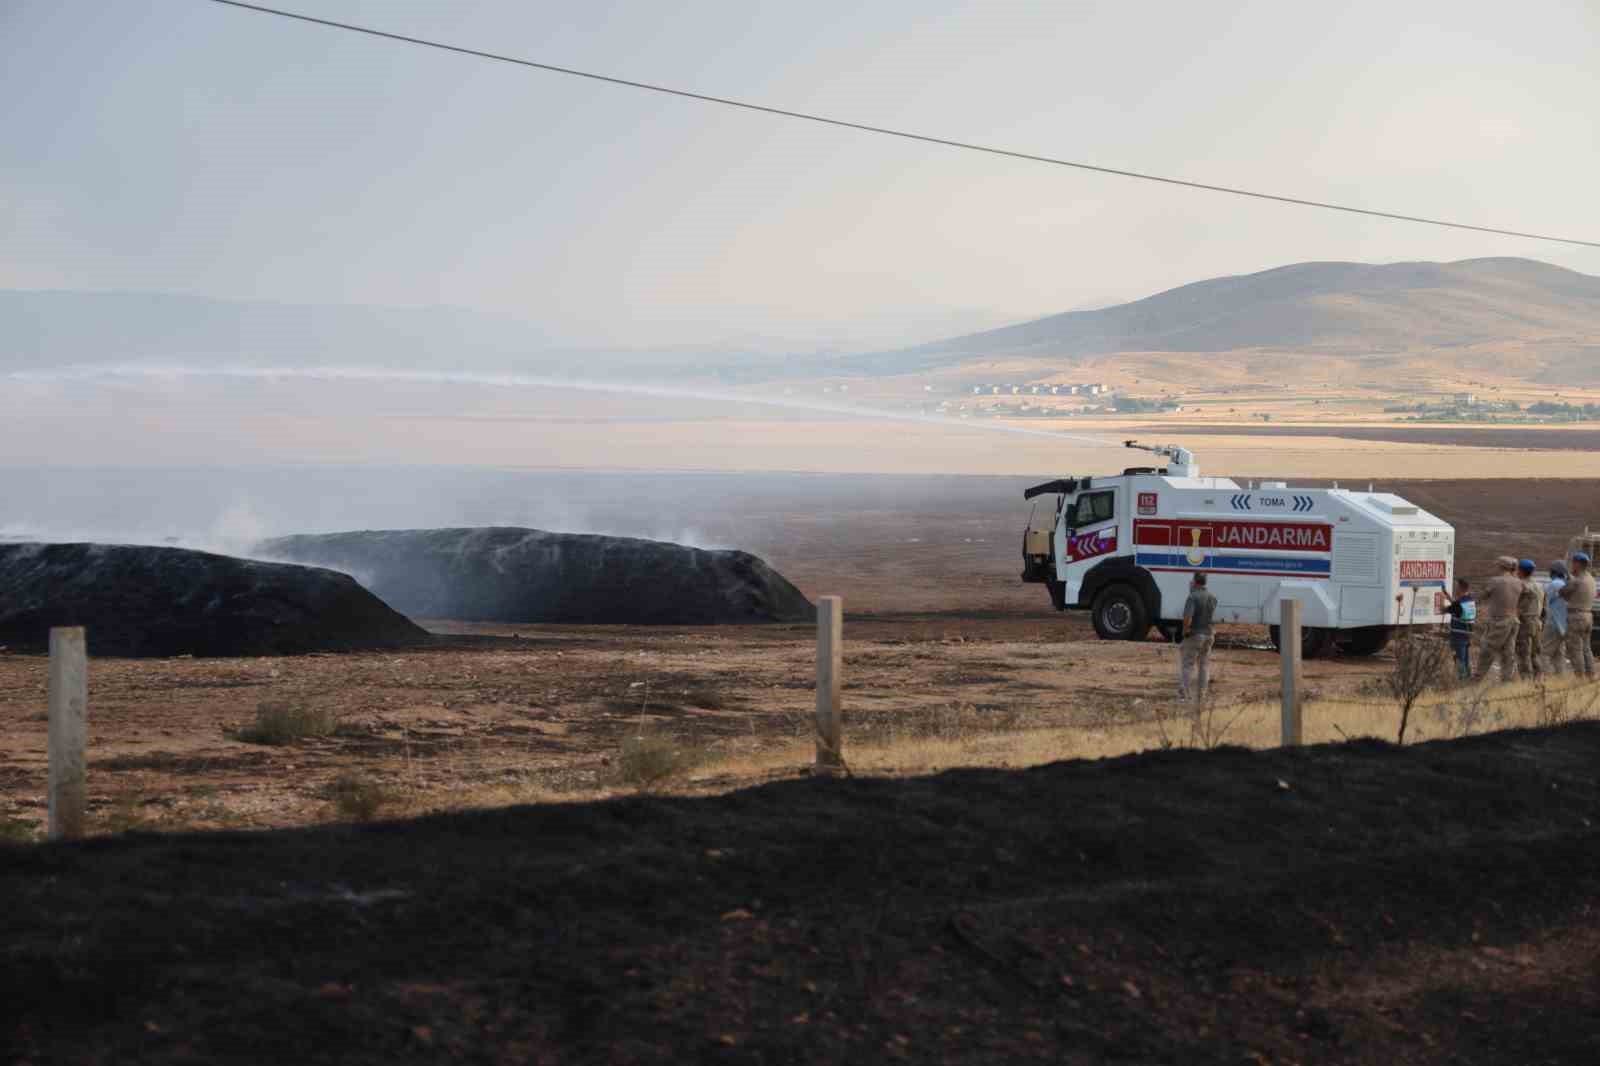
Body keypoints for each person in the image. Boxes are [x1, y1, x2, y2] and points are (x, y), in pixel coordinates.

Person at [1474, 556, 1522, 683]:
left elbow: (1481, 596)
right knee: (1508, 653)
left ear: (1501, 566)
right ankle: (1506, 681)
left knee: (1487, 650)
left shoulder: (1495, 581)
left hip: (1499, 621)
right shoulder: (1518, 582)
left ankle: (1476, 680)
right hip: (1513, 621)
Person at [1178, 572, 1217, 702]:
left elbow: (1188, 617)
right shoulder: (1212, 597)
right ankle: (1201, 695)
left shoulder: (1192, 597)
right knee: (1204, 665)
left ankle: (1184, 695)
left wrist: (1185, 631)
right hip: (1209, 634)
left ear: (1195, 581)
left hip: (1195, 634)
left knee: (1188, 664)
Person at [1559, 552, 1596, 679]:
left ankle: (1579, 676)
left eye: (1573, 563)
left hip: (1576, 617)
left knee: (1575, 648)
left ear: (1578, 564)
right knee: (1586, 648)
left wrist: (1568, 579)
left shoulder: (1577, 581)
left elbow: (1562, 592)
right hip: (1588, 616)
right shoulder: (1591, 579)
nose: (1572, 565)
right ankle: (1590, 674)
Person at [1515, 559, 1544, 679]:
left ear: (1520, 570)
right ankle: (1539, 678)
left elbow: (1517, 606)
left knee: (1523, 653)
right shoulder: (1539, 585)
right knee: (1534, 653)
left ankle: (1526, 681)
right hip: (1537, 622)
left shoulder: (1521, 586)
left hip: (1525, 622)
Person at [1541, 560, 1570, 675]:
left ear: (1553, 572)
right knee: (1559, 653)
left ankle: (1545, 678)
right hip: (1564, 624)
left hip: (1554, 623)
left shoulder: (1554, 584)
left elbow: (1546, 600)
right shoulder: (1567, 584)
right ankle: (1560, 677)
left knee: (1544, 652)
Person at [1444, 577, 1476, 680]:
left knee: (1459, 658)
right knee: (1465, 657)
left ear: (1460, 588)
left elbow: (1444, 609)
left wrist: (1440, 598)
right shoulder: (1470, 600)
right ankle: (1467, 677)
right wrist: (1447, 595)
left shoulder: (1459, 604)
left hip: (1458, 635)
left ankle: (1461, 679)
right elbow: (1456, 605)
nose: (1455, 589)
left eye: (1456, 587)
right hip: (1467, 634)